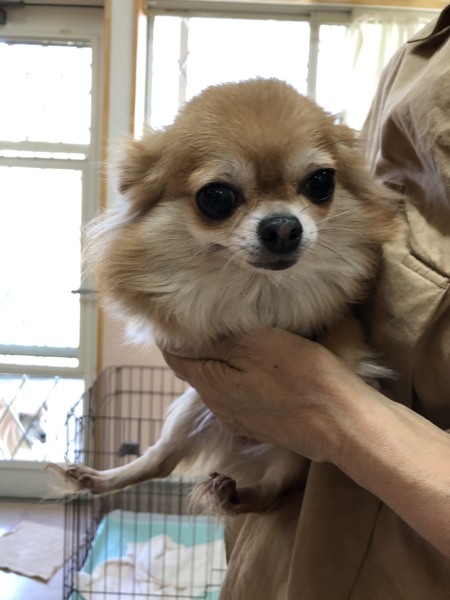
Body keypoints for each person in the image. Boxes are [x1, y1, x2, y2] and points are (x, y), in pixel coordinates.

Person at [163, 7, 450, 599]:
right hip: (289, 547)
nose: (281, 225)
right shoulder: (423, 47)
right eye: (220, 198)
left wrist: (333, 411)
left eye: (315, 186)